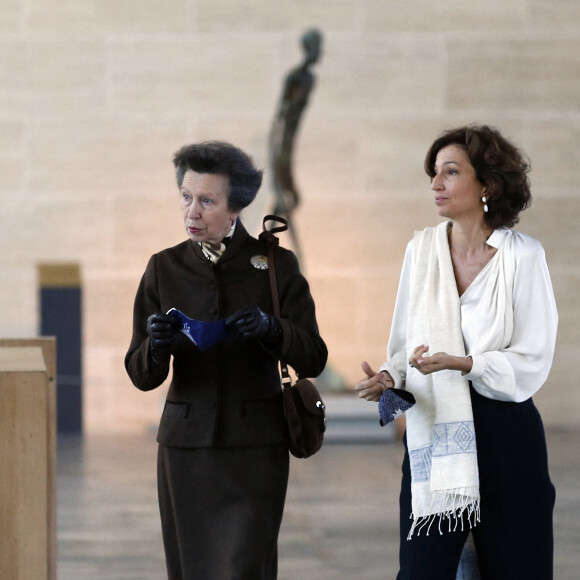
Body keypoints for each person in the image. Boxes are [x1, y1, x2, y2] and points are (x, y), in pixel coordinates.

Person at [354, 124, 558, 579]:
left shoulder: (521, 257)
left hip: (505, 435)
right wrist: (388, 378)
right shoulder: (421, 250)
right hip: (435, 431)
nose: (436, 184)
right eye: (434, 173)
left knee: (516, 568)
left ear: (487, 183)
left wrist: (464, 364)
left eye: (450, 172)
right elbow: (405, 345)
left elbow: (533, 359)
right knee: (422, 571)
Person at [125, 141, 327, 580]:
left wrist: (275, 331)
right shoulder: (163, 268)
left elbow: (314, 355)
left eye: (207, 201)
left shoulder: (276, 264)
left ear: (235, 208)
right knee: (191, 567)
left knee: (245, 568)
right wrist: (157, 345)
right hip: (185, 448)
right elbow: (141, 374)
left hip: (256, 445)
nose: (191, 212)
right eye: (186, 197)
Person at [269, 28, 323, 264]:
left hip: (287, 145)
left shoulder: (310, 78)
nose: (319, 53)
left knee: (284, 206)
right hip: (282, 146)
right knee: (284, 205)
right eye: (316, 48)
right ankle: (287, 267)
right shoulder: (297, 78)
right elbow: (280, 120)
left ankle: (271, 263)